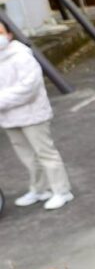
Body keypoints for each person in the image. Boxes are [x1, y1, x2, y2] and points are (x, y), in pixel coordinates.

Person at [0, 22, 73, 211]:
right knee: (27, 157)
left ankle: (62, 191)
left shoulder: (22, 56)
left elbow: (28, 88)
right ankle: (39, 189)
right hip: (8, 117)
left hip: (32, 114)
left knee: (45, 153)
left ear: (9, 35)